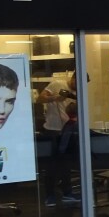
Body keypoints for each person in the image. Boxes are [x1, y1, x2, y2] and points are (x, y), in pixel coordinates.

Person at [38, 72, 77, 205]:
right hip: (52, 130)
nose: (77, 87)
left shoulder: (77, 92)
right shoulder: (57, 84)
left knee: (66, 164)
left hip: (67, 131)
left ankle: (67, 192)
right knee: (51, 165)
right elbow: (40, 98)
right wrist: (55, 98)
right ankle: (49, 195)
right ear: (73, 78)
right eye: (77, 83)